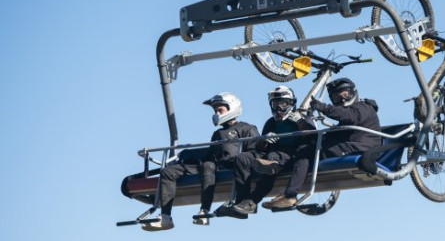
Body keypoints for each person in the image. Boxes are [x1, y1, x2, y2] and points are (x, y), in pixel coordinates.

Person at [142, 92, 259, 231]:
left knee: (208, 166)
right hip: (212, 164)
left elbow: (255, 152)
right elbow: (211, 153)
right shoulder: (217, 133)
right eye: (215, 110)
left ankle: (204, 211)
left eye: (220, 110)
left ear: (232, 108)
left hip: (229, 166)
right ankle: (165, 217)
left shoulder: (247, 128)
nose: (216, 113)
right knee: (167, 172)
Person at [261, 77, 381, 209]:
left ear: (353, 93)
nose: (342, 99)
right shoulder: (350, 114)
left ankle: (290, 195)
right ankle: (277, 168)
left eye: (345, 94)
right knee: (307, 147)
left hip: (361, 148)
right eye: (336, 97)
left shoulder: (363, 107)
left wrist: (322, 107)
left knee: (305, 151)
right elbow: (341, 130)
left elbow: (349, 116)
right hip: (350, 145)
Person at [215, 85, 315, 218]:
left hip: (293, 154)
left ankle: (252, 201)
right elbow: (260, 148)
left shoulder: (302, 118)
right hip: (271, 153)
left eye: (283, 103)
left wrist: (299, 121)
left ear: (291, 103)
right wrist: (265, 140)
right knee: (242, 158)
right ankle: (242, 201)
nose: (279, 107)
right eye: (275, 104)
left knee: (270, 159)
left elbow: (312, 137)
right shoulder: (271, 122)